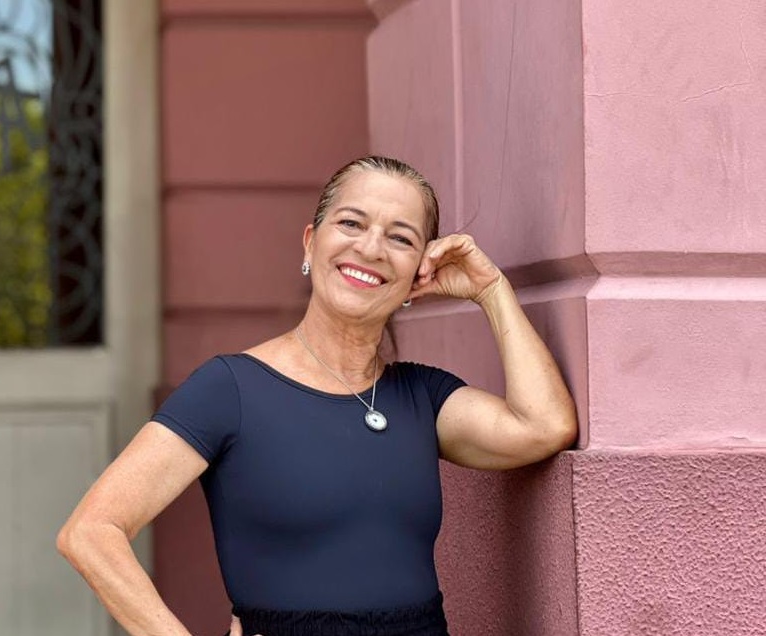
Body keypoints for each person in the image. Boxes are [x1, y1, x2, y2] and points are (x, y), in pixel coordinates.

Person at [56, 156, 578, 636]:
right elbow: (91, 532)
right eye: (351, 223)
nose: (370, 249)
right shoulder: (230, 388)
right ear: (310, 243)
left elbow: (544, 425)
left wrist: (490, 290)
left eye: (400, 238)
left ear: (421, 271)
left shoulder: (422, 396)